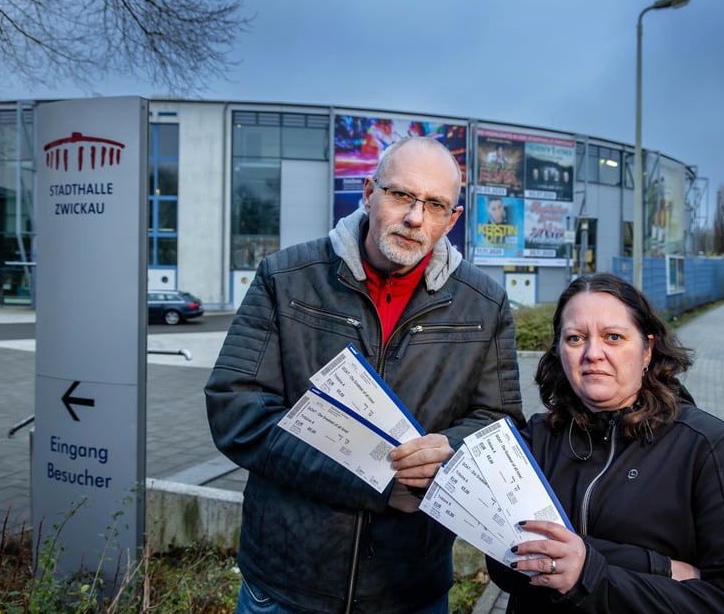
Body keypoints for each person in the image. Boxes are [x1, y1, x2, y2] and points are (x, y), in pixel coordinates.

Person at [206, 136, 525, 614]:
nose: (416, 218)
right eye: (401, 195)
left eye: (435, 205)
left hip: (408, 589)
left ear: (452, 220)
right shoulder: (286, 277)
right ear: (369, 192)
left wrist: (453, 448)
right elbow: (237, 410)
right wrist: (374, 479)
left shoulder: (485, 304)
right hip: (287, 585)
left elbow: (499, 423)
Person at [487, 273, 724, 613]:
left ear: (647, 350)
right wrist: (658, 567)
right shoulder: (536, 439)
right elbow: (503, 559)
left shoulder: (709, 449)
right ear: (559, 351)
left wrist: (593, 575)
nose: (592, 353)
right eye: (575, 338)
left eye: (613, 337)